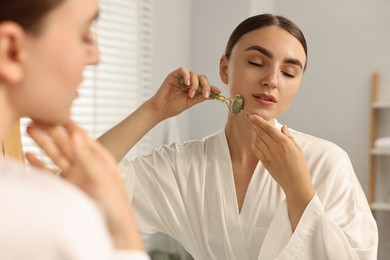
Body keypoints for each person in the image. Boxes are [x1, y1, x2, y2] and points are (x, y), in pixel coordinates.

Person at [44, 14, 379, 259]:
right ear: (224, 68)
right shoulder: (182, 166)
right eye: (256, 62)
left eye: (289, 72)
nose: (272, 80)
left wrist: (299, 191)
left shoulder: (327, 162)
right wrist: (153, 111)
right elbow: (73, 192)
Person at [0, 0, 153, 259]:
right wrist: (122, 231)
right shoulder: (50, 216)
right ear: (11, 50)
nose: (95, 57)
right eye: (83, 34)